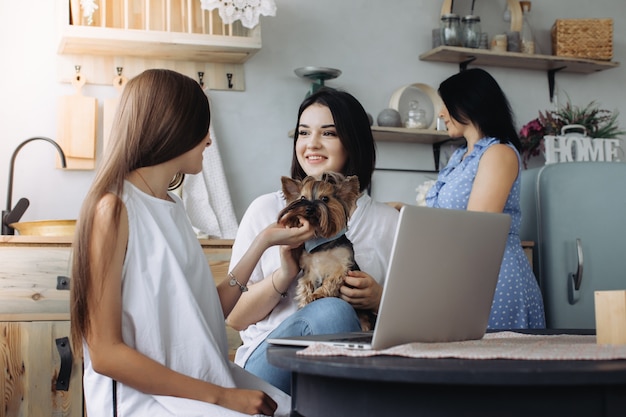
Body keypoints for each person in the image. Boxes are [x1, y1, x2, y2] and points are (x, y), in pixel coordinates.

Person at [70, 69, 304, 417]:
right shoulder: (113, 209)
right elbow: (105, 354)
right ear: (172, 127)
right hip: (143, 401)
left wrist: (264, 242)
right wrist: (222, 397)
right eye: (201, 129)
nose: (208, 141)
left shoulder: (173, 206)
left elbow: (205, 316)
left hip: (194, 385)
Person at [225, 88, 399, 394]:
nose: (312, 144)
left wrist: (380, 300)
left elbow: (421, 321)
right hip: (270, 368)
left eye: (328, 133)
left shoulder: (388, 222)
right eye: (303, 132)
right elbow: (236, 318)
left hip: (358, 371)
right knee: (332, 312)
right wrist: (284, 275)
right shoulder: (266, 210)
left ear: (353, 141)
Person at [425, 68, 545, 329]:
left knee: (495, 363)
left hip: (496, 278)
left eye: (446, 105)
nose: (441, 114)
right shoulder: (460, 157)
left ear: (468, 104)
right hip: (466, 274)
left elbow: (477, 228)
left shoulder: (498, 153)